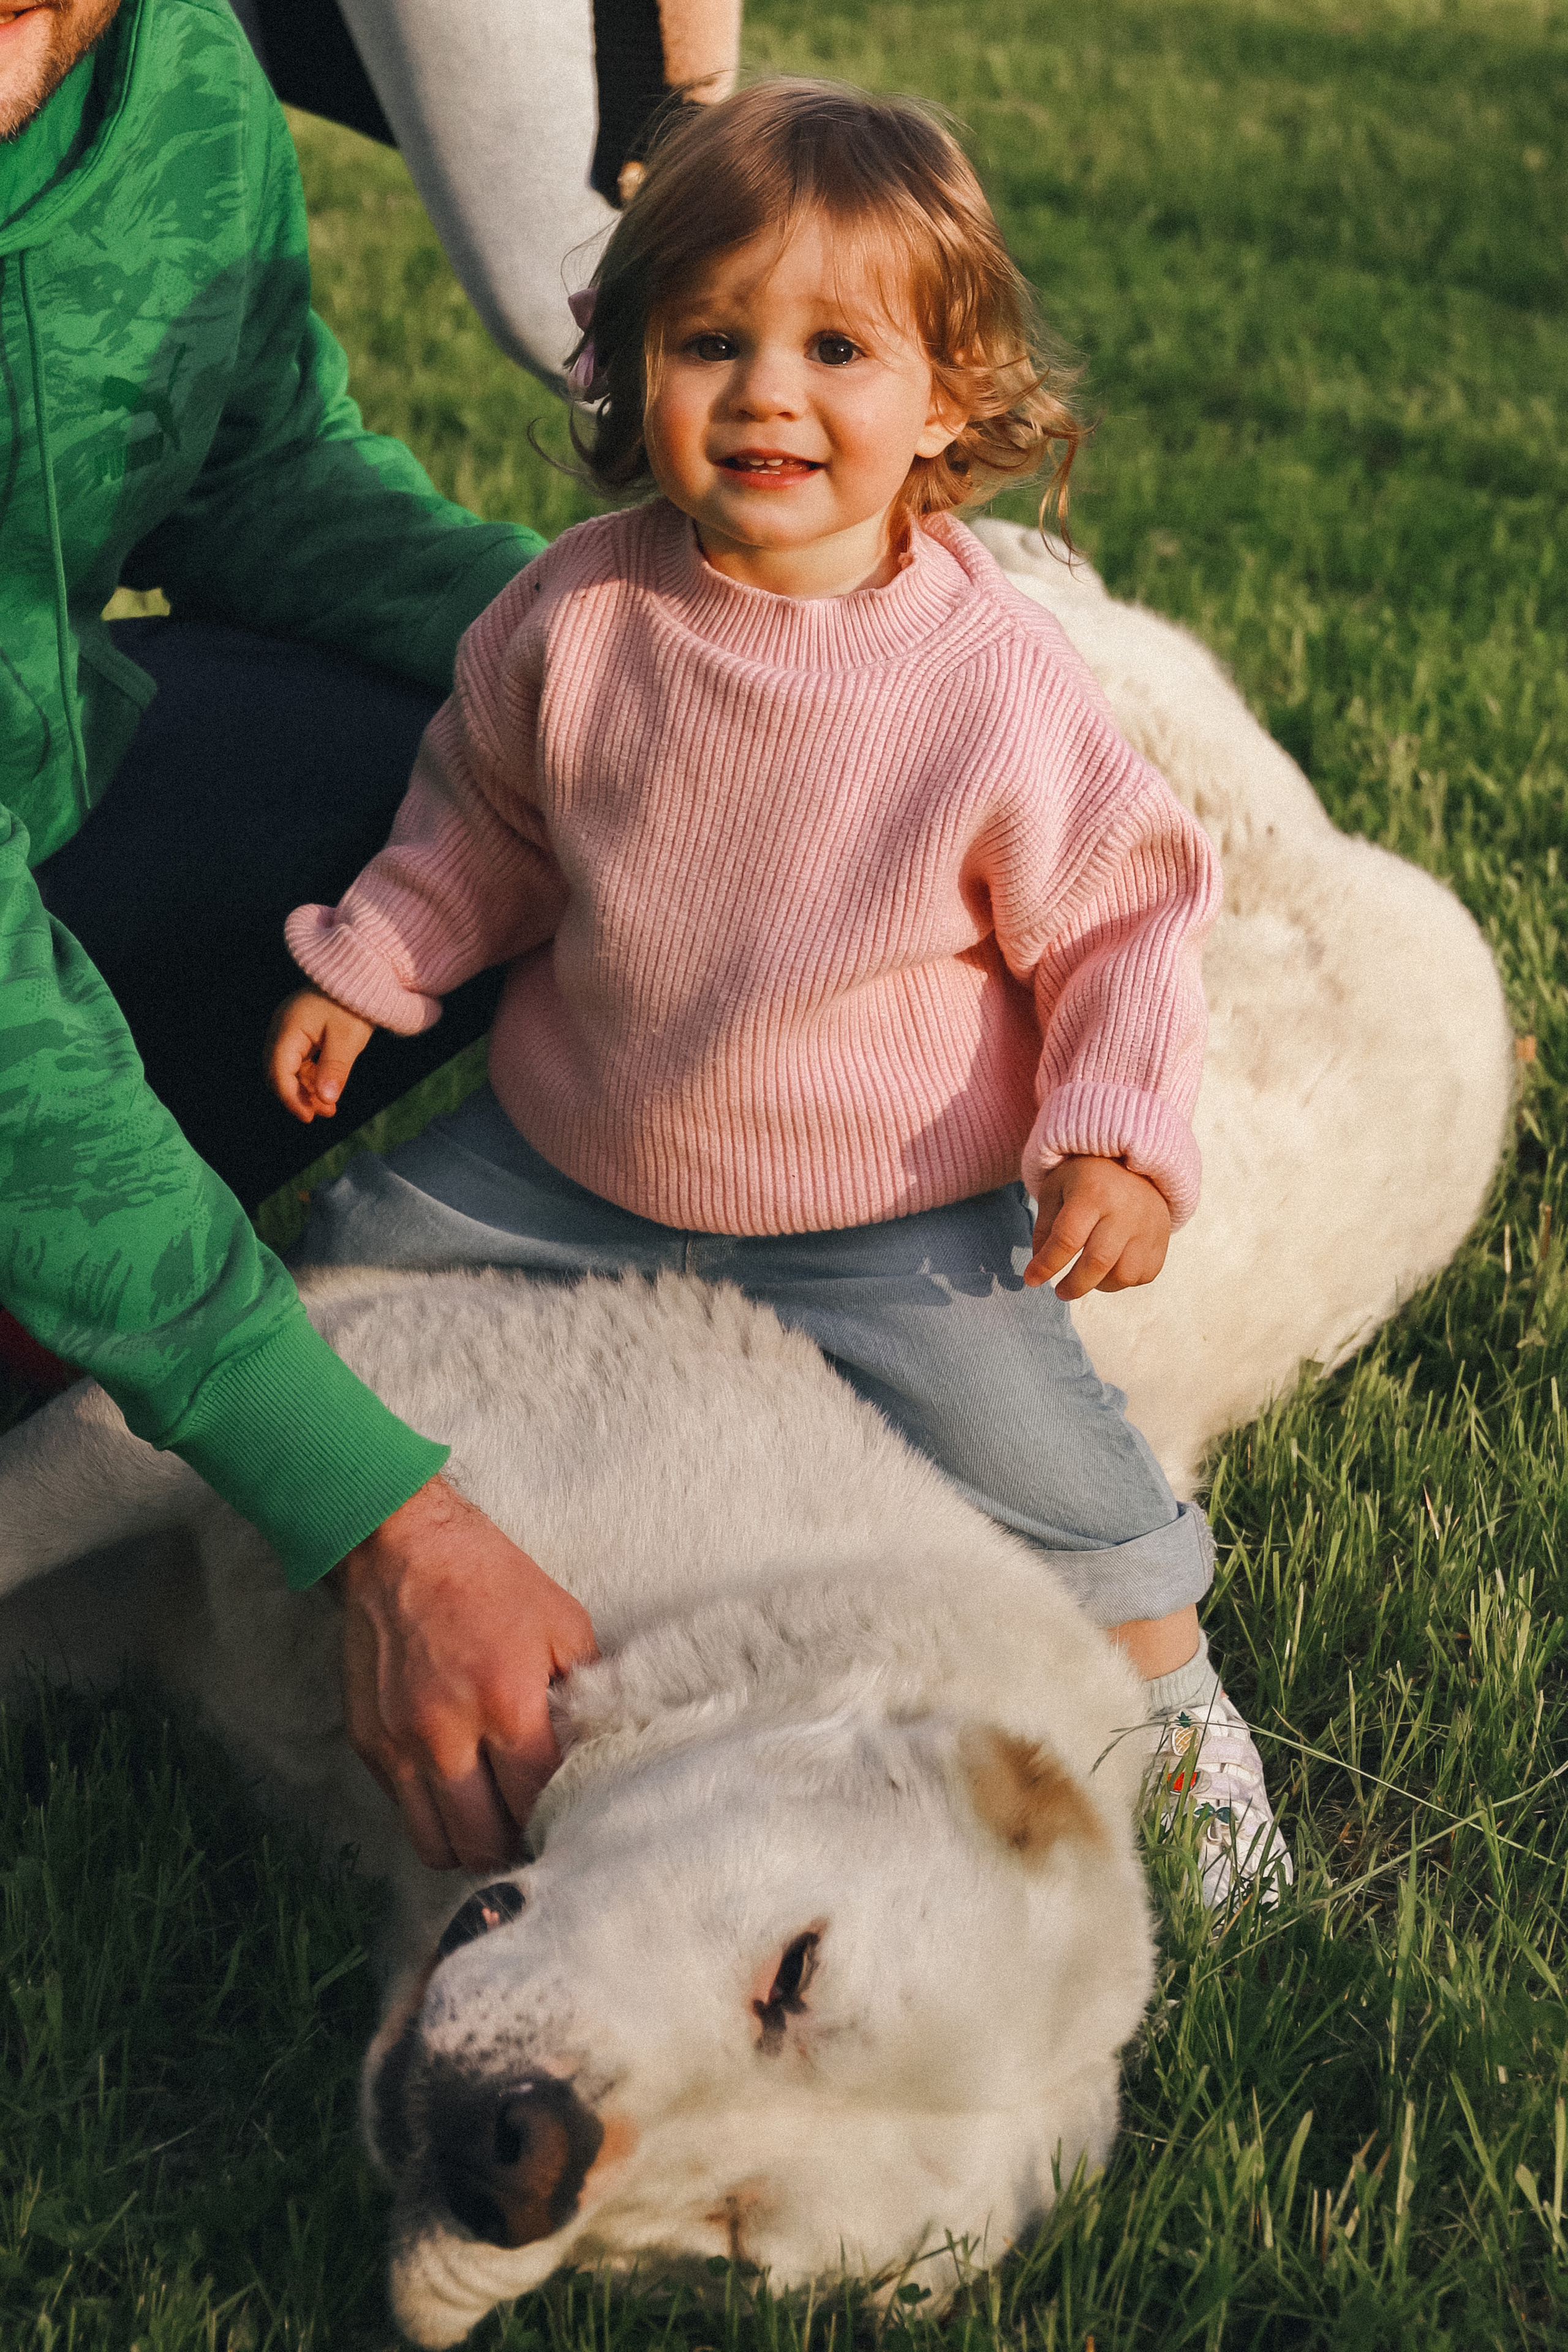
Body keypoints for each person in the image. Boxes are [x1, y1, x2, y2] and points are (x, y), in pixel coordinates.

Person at [266, 78, 1294, 1908]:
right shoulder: (577, 617)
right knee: (340, 1255)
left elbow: (1127, 920)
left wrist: (1119, 1137)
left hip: (883, 1209)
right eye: (708, 340)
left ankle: (1187, 1731)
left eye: (837, 347)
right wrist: (377, 958)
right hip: (569, 1151)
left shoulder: (984, 681)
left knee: (1057, 1474)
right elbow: (485, 825)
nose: (765, 393)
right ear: (625, 372)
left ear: (948, 403)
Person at [0, 0, 599, 1875]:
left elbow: (259, 471)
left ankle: (49, 1320)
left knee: (461, 781)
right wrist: (379, 1520)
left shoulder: (173, 70)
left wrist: (646, 660)